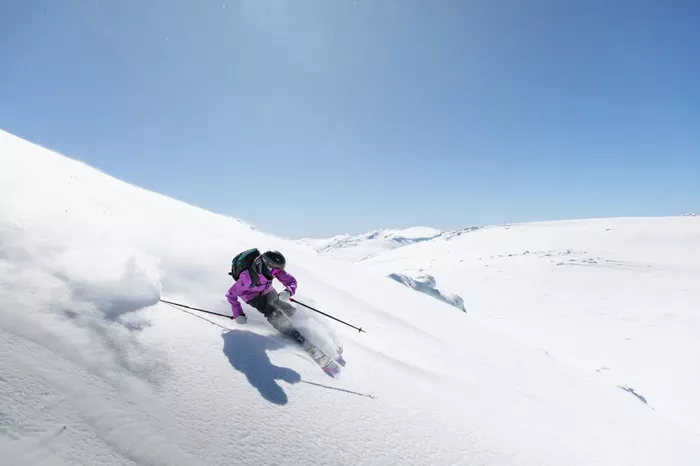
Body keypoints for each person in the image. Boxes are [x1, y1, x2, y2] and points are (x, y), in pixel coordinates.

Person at [226, 250, 301, 339]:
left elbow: (291, 281)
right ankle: (290, 332)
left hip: (267, 290)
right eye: (276, 272)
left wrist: (288, 291)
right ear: (267, 266)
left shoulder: (274, 269)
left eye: (279, 271)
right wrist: (238, 314)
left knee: (282, 305)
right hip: (252, 296)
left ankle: (297, 318)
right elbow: (231, 295)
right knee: (272, 312)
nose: (277, 274)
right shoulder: (247, 278)